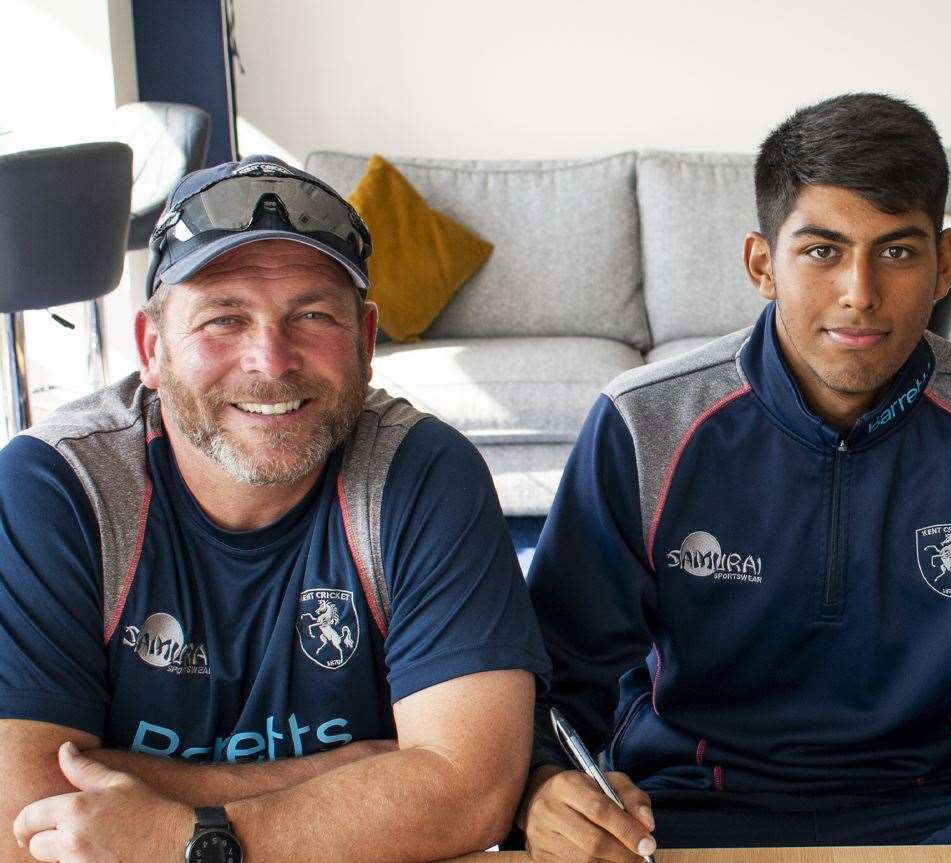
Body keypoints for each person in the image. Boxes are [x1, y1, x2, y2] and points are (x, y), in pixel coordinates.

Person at [519, 93, 951, 860]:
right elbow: (545, 689)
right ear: (763, 263)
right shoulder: (643, 426)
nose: (860, 292)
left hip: (949, 826)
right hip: (686, 818)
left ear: (945, 263)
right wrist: (543, 785)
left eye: (897, 251)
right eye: (823, 250)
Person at [0, 156, 548, 862]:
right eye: (223, 318)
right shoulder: (55, 489)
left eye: (313, 314)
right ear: (151, 348)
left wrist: (177, 837)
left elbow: (472, 794)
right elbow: (20, 815)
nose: (271, 359)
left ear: (366, 339)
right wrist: (365, 770)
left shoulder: (423, 474)